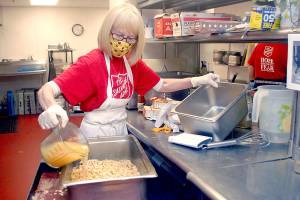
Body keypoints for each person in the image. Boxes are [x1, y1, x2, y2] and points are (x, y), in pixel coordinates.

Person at [37, 3, 220, 138]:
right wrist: (51, 106)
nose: (123, 42)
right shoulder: (91, 63)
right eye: (118, 35)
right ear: (107, 32)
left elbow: (162, 84)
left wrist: (197, 81)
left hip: (120, 131)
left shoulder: (131, 63)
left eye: (130, 38)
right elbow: (47, 89)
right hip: (95, 135)